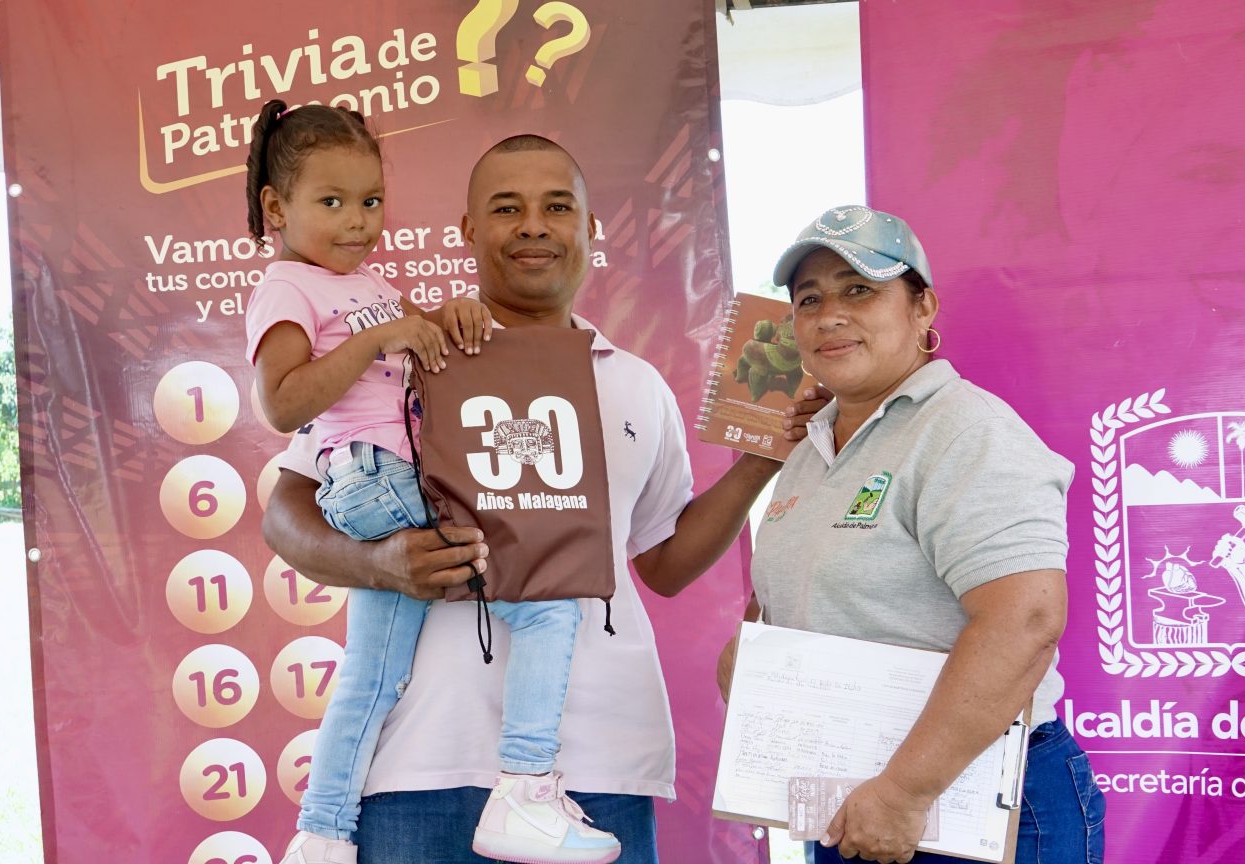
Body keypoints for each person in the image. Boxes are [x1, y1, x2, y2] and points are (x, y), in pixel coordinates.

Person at [262, 134, 818, 864]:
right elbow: (285, 513)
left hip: (599, 764)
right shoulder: (410, 355)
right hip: (421, 765)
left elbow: (664, 563)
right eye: (506, 208)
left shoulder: (636, 384)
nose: (533, 226)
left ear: (590, 229)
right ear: (467, 230)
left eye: (557, 207)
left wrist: (760, 462)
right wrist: (380, 564)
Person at [242, 101, 614, 864]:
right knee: (547, 604)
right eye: (332, 202)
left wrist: (453, 315)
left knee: (372, 675)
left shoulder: (365, 283)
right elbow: (280, 403)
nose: (357, 222)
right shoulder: (288, 288)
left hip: (388, 480)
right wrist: (379, 339)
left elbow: (430, 335)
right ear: (277, 209)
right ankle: (525, 789)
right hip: (377, 481)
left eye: (371, 201)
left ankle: (322, 834)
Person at [716, 206, 1105, 864]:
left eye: (859, 290)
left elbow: (1026, 619)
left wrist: (905, 792)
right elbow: (799, 597)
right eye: (809, 299)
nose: (829, 316)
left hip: (966, 799)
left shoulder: (966, 430)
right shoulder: (810, 448)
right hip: (853, 802)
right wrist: (755, 658)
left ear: (923, 308)